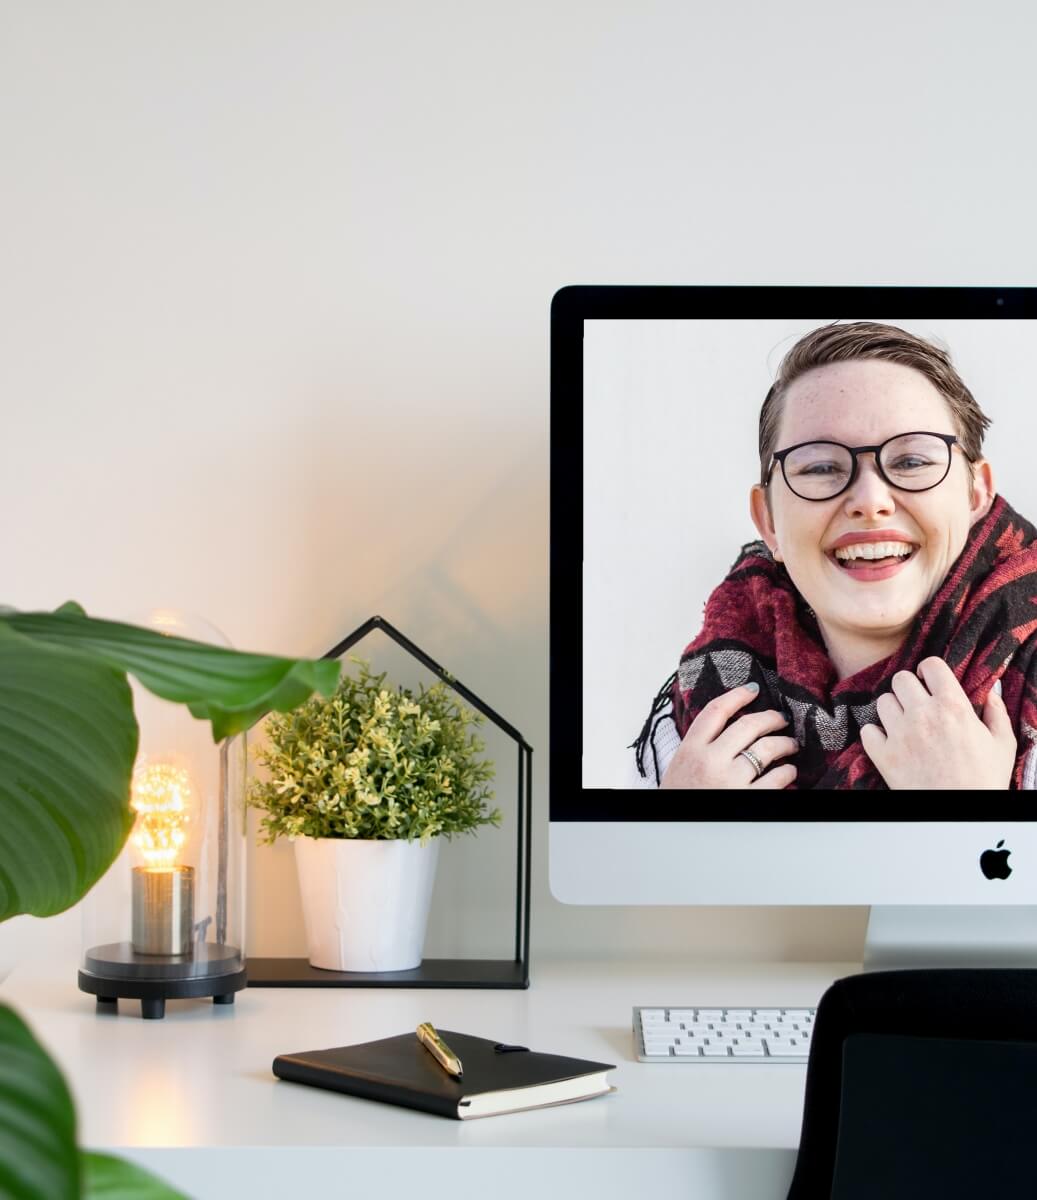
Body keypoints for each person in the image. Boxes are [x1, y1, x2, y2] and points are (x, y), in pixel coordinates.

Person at [630, 321, 1037, 790]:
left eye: (911, 461)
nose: (869, 500)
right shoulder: (690, 736)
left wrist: (966, 816)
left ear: (975, 494)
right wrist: (671, 837)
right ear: (769, 523)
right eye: (821, 466)